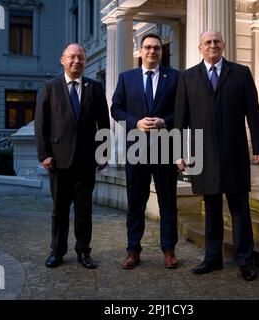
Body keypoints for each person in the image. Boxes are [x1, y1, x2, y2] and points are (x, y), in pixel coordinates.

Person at [174, 30, 259, 281]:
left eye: (216, 42)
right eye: (207, 42)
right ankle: (212, 258)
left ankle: (245, 260)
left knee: (239, 208)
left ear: (223, 45)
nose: (212, 45)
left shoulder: (241, 73)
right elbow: (180, 119)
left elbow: (253, 113)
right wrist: (178, 153)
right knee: (212, 207)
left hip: (234, 152)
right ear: (200, 47)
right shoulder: (187, 77)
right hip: (202, 153)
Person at [34, 44, 110, 269]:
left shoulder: (95, 88)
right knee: (59, 210)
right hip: (58, 161)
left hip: (87, 162)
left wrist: (103, 153)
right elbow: (41, 124)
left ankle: (83, 251)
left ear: (85, 61)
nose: (76, 61)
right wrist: (44, 155)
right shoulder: (49, 87)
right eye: (71, 57)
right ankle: (57, 251)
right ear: (62, 60)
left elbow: (103, 123)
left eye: (80, 57)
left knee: (84, 210)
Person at [111, 33, 180, 269]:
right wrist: (135, 122)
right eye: (148, 47)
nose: (152, 51)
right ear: (140, 51)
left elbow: (182, 110)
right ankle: (133, 250)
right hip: (137, 148)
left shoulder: (174, 77)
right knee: (136, 202)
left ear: (162, 52)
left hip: (166, 148)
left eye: (157, 48)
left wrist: (165, 122)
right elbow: (116, 108)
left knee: (168, 202)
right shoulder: (126, 78)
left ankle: (169, 250)